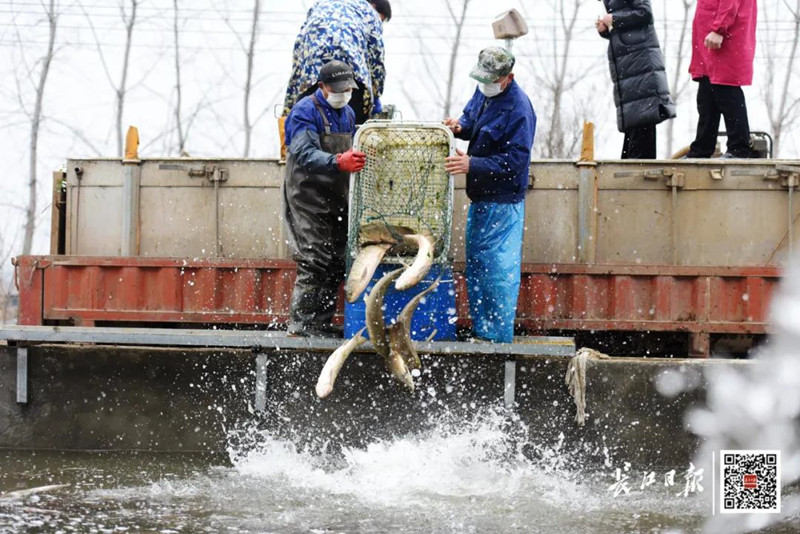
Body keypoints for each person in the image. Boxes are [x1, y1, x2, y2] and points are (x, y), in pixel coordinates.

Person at [443, 47, 536, 344]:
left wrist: (473, 163)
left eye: (492, 80)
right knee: (478, 268)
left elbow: (515, 161)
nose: (485, 85)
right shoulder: (485, 90)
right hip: (481, 199)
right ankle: (483, 331)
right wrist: (459, 127)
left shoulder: (520, 109)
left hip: (504, 203)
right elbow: (471, 120)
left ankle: (495, 337)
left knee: (497, 273)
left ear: (508, 78)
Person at [283, 61, 366, 338]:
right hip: (307, 197)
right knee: (314, 258)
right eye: (338, 89)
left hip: (336, 196)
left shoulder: (349, 113)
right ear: (322, 87)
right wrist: (336, 160)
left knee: (336, 260)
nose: (344, 94)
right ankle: (301, 326)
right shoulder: (305, 112)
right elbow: (303, 153)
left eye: (348, 90)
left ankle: (321, 323)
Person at [283, 0, 391, 126]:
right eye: (381, 19)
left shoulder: (320, 5)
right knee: (351, 131)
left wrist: (290, 104)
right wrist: (375, 96)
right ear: (374, 6)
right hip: (350, 77)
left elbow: (299, 50)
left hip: (312, 76)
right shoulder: (369, 12)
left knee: (305, 128)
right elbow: (376, 60)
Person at [596, 0, 676, 159]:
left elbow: (644, 13)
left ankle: (638, 176)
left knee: (642, 122)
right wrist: (607, 29)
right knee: (636, 127)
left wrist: (614, 19)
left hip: (641, 66)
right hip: (630, 68)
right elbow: (629, 28)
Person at [686, 0, 757, 158]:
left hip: (723, 37)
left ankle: (739, 148)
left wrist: (719, 28)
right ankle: (702, 149)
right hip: (709, 38)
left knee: (726, 89)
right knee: (707, 95)